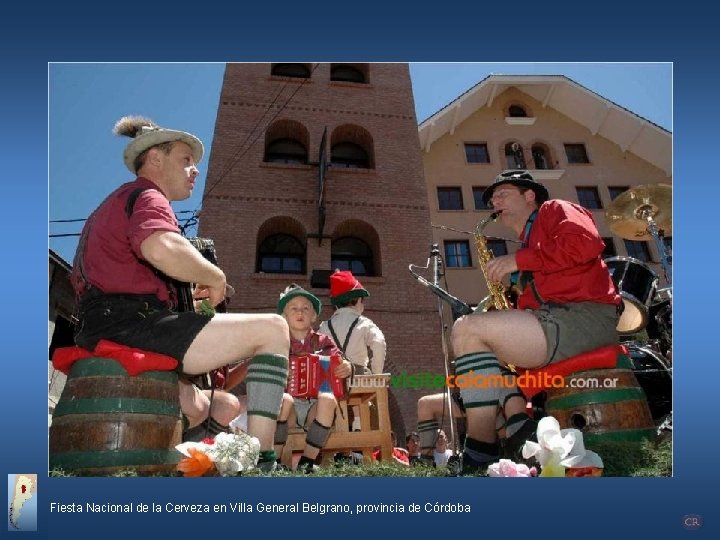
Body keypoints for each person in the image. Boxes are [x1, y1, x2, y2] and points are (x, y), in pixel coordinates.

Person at [70, 116, 290, 471]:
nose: (194, 170)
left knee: (204, 405)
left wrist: (192, 297)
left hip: (100, 324)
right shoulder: (147, 195)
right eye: (185, 159)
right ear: (155, 158)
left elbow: (138, 266)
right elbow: (160, 247)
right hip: (131, 324)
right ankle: (262, 459)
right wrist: (215, 276)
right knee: (274, 329)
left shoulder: (112, 203)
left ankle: (186, 462)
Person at [450, 170, 621, 473]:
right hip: (557, 319)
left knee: (467, 328)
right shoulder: (529, 241)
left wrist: (520, 261)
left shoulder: (556, 209)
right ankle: (516, 424)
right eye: (491, 199)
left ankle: (481, 446)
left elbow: (584, 246)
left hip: (585, 317)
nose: (494, 202)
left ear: (529, 195)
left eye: (502, 194)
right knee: (474, 343)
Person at [275, 284, 352, 473]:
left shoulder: (324, 341)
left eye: (306, 308)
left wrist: (348, 367)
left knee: (327, 398)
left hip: (315, 408)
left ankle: (307, 462)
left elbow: (339, 360)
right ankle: (273, 461)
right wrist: (280, 374)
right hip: (289, 410)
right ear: (284, 315)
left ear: (314, 316)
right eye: (293, 308)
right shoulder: (277, 342)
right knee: (283, 400)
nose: (300, 312)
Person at [319, 270, 386, 430]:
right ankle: (359, 432)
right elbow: (379, 344)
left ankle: (341, 438)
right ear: (356, 301)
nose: (363, 305)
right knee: (363, 401)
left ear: (336, 304)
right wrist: (376, 376)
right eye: (362, 301)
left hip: (333, 378)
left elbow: (320, 354)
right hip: (359, 375)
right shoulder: (364, 322)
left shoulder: (324, 326)